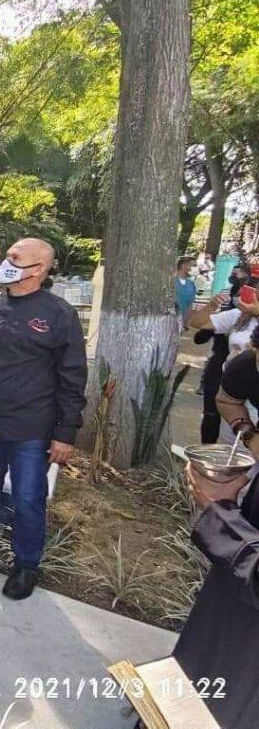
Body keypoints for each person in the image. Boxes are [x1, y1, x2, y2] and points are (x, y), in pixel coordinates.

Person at [0, 238, 87, 601]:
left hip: (32, 428)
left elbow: (73, 377)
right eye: (6, 255)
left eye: (14, 258)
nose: (5, 262)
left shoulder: (59, 315)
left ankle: (26, 564)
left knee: (27, 497)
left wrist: (65, 432)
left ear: (38, 268)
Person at [172, 334, 259, 728]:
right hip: (230, 599)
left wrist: (220, 513)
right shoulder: (248, 364)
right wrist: (251, 434)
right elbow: (230, 395)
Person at [193, 262, 249, 441]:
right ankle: (209, 461)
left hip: (249, 389)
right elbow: (199, 331)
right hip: (222, 372)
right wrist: (212, 306)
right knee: (214, 418)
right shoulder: (236, 314)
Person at [175, 256, 198, 329]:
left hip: (183, 320)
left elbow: (191, 304)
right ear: (183, 266)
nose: (192, 268)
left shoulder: (191, 284)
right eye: (191, 265)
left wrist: (186, 321)